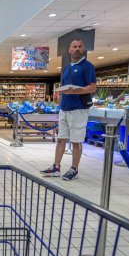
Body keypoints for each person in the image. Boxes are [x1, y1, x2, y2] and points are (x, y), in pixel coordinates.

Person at [41, 39, 96, 181]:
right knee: (61, 139)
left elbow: (92, 87)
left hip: (78, 108)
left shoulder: (87, 66)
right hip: (64, 108)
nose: (77, 49)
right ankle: (56, 167)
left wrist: (77, 91)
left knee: (76, 141)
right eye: (74, 47)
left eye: (80, 46)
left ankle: (74, 169)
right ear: (69, 50)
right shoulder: (66, 67)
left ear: (83, 49)